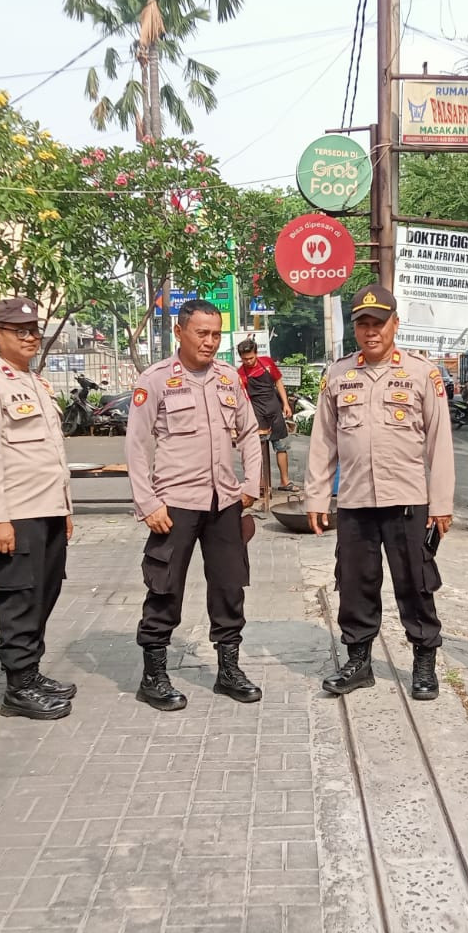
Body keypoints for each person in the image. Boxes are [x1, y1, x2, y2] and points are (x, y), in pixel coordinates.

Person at [306, 284, 454, 701]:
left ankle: (424, 661)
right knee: (354, 583)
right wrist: (316, 498)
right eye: (363, 324)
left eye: (379, 322)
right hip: (354, 502)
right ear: (355, 328)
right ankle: (359, 662)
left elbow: (439, 443)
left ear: (395, 324)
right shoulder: (337, 374)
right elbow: (324, 442)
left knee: (416, 584)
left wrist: (441, 503)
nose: (371, 331)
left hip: (408, 501)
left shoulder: (421, 373)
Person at [126, 300, 263, 711]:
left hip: (224, 501)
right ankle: (154, 675)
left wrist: (251, 485)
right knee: (164, 587)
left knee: (229, 587)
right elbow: (136, 445)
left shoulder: (227, 378)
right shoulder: (155, 380)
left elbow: (250, 431)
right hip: (175, 504)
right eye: (201, 333)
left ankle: (228, 670)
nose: (210, 341)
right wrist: (147, 502)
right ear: (180, 333)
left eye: (216, 334)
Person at [0, 298, 77, 721]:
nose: (30, 337)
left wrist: (64, 509)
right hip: (15, 516)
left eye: (34, 330)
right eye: (19, 330)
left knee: (43, 595)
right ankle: (18, 688)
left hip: (46, 511)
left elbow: (50, 454)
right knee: (18, 600)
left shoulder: (36, 384)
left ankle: (30, 672)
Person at [236, 339, 297, 492]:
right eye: (245, 359)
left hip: (274, 408)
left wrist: (285, 404)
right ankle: (261, 484)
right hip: (257, 412)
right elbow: (243, 398)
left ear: (256, 353)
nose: (248, 361)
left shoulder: (267, 363)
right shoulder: (240, 374)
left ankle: (285, 481)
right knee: (259, 449)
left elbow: (279, 382)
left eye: (251, 357)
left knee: (281, 446)